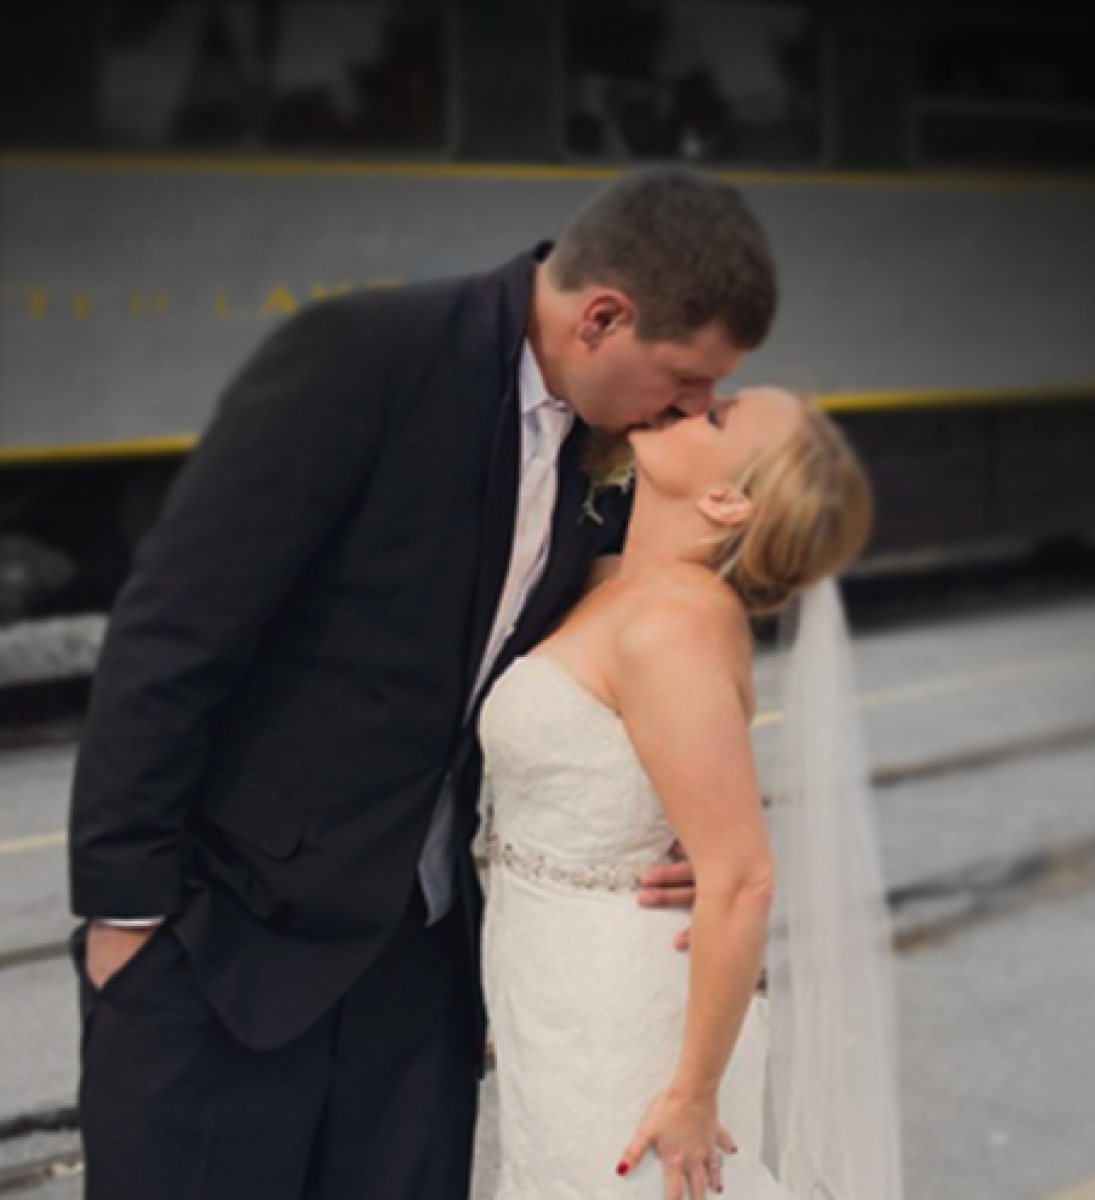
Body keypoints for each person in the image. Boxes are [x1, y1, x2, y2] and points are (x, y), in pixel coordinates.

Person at [66, 166, 778, 1200]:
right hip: (229, 938)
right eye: (685, 376)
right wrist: (128, 917)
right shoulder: (366, 358)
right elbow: (174, 631)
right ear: (603, 318)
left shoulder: (617, 445)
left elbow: (640, 669)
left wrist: (689, 834)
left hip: (427, 969)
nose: (697, 407)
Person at [480, 388, 905, 1198]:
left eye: (716, 416)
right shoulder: (606, 580)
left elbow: (742, 878)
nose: (692, 399)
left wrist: (694, 1095)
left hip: (628, 1013)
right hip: (552, 985)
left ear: (725, 497)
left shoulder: (677, 624)